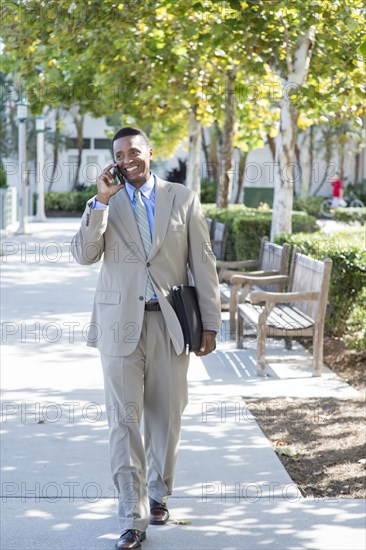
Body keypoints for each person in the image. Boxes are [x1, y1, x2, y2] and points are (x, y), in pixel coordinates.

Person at [71, 127, 221, 550]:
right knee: (123, 423)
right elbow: (83, 254)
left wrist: (209, 324)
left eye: (134, 151)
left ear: (150, 152)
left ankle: (159, 492)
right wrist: (99, 201)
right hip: (119, 327)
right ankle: (131, 517)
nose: (127, 159)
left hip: (169, 325)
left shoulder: (182, 197)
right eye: (119, 154)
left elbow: (203, 264)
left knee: (166, 420)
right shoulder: (106, 201)